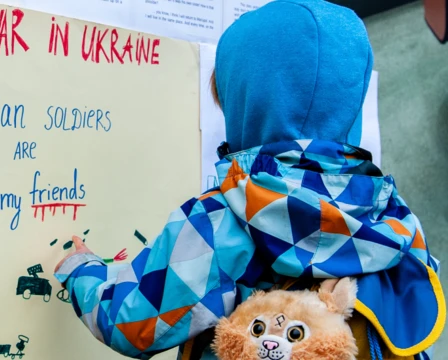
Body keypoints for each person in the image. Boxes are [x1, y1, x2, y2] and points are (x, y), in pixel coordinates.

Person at [53, 0, 445, 359]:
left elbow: (131, 323)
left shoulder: (221, 217)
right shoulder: (392, 213)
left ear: (243, 98)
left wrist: (80, 268)